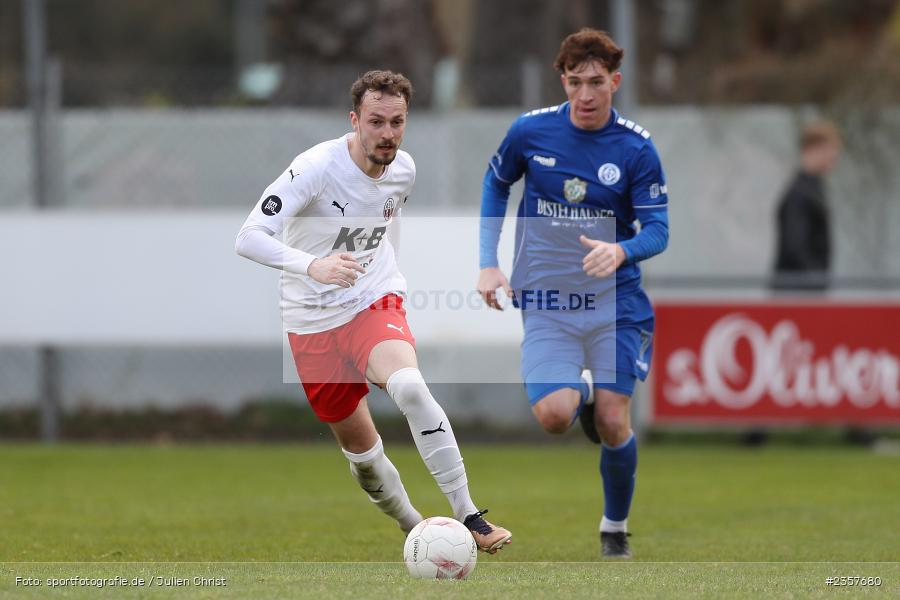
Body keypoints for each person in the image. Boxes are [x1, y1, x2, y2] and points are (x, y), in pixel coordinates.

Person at [235, 70, 511, 553]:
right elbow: (249, 237)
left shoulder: (404, 169)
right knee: (363, 458)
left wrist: (388, 280)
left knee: (409, 385)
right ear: (355, 120)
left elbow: (387, 222)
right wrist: (313, 265)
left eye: (397, 122)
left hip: (372, 301)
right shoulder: (316, 167)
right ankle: (415, 528)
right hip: (310, 321)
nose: (387, 134)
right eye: (376, 122)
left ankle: (470, 516)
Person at [477, 29, 669, 558]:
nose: (585, 95)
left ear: (615, 82)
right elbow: (496, 185)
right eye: (575, 82)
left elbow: (659, 230)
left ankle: (614, 527)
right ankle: (579, 393)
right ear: (562, 80)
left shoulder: (636, 148)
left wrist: (621, 251)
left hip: (616, 304)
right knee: (555, 416)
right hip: (548, 299)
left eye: (596, 83)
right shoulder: (530, 132)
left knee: (614, 420)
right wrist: (488, 263)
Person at [772, 121, 842, 291]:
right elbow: (794, 247)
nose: (835, 157)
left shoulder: (810, 189)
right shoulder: (800, 194)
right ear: (813, 149)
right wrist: (816, 282)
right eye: (830, 150)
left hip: (803, 291)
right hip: (797, 295)